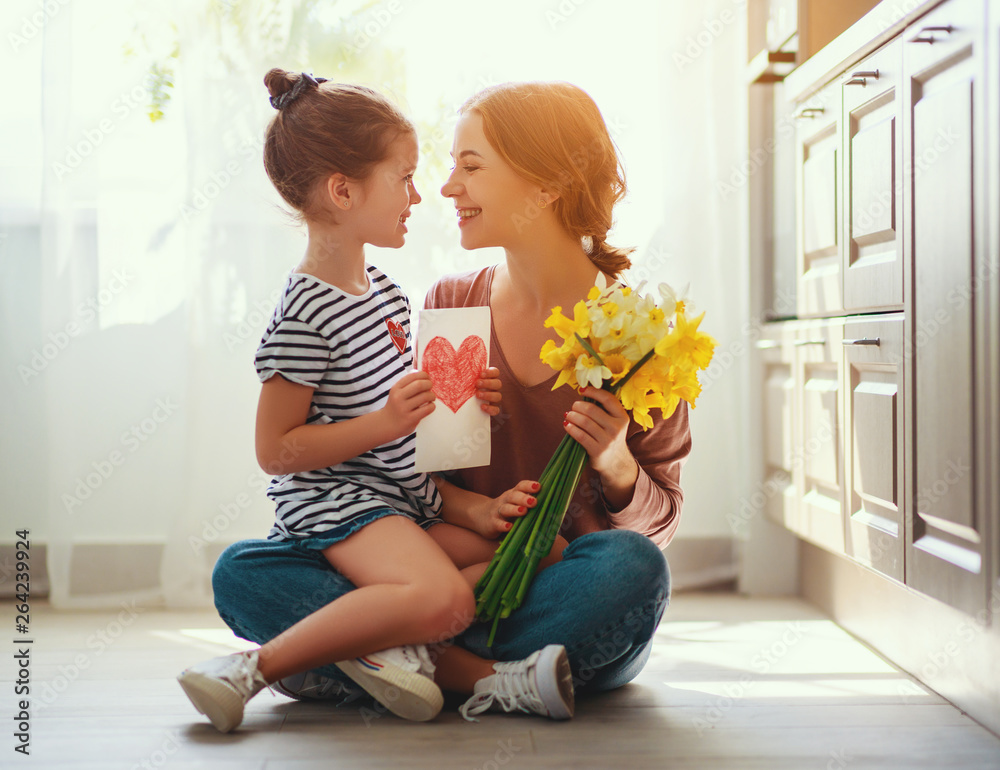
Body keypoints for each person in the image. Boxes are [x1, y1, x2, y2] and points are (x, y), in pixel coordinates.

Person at [207, 79, 690, 727]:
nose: (445, 188)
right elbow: (409, 477)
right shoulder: (449, 303)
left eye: (470, 166)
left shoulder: (637, 329)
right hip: (442, 561)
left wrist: (616, 463)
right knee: (244, 571)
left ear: (545, 185)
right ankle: (484, 675)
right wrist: (440, 432)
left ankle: (368, 657)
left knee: (630, 569)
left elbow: (657, 524)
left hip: (552, 593)